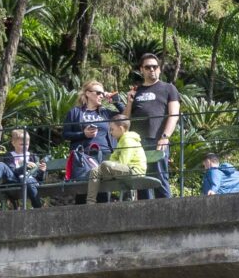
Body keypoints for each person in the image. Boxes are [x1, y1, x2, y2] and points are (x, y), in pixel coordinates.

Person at [124, 53, 181, 198]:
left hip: (157, 140)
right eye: (148, 67)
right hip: (136, 142)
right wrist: (129, 102)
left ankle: (168, 213)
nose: (152, 70)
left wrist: (165, 136)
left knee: (160, 178)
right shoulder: (136, 91)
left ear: (160, 69)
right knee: (141, 181)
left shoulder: (169, 88)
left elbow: (174, 115)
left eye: (155, 67)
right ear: (141, 70)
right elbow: (125, 119)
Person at [63, 81, 122, 198]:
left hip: (104, 155)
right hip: (82, 157)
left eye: (102, 93)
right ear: (88, 93)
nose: (101, 95)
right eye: (98, 93)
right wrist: (83, 134)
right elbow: (65, 134)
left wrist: (113, 99)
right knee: (82, 193)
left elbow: (125, 116)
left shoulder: (106, 113)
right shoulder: (75, 112)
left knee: (103, 192)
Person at [0, 129, 45, 208]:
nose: (24, 147)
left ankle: (37, 207)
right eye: (21, 144)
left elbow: (39, 179)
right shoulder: (10, 155)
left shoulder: (33, 157)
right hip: (15, 179)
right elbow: (13, 171)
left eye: (27, 144)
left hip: (30, 180)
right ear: (13, 143)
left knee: (28, 180)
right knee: (0, 165)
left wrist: (42, 171)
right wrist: (24, 167)